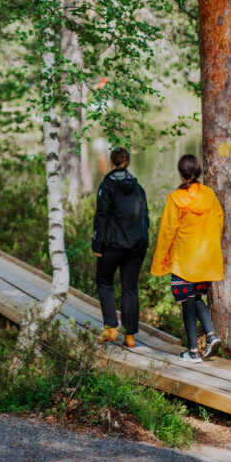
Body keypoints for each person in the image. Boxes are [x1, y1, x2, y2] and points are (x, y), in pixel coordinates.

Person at [150, 154, 224, 364]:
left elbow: (166, 232)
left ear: (181, 173)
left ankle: (193, 351)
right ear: (198, 171)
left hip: (184, 261)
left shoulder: (176, 199)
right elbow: (219, 220)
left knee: (187, 303)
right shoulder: (209, 195)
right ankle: (211, 335)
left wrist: (160, 261)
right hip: (205, 261)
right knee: (197, 298)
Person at [92, 147, 149, 348]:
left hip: (112, 245)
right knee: (130, 288)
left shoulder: (106, 186)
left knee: (104, 282)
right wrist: (143, 242)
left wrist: (96, 245)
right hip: (136, 246)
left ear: (111, 162)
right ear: (128, 162)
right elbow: (145, 217)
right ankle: (130, 337)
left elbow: (101, 217)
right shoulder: (138, 187)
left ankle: (111, 329)